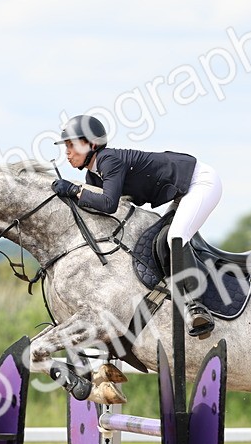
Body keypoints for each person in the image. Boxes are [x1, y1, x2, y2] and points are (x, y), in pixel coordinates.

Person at [51, 114, 221, 338]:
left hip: (200, 183)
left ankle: (197, 306)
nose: (67, 152)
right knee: (157, 240)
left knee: (175, 237)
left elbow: (109, 204)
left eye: (72, 145)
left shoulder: (108, 160)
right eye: (66, 146)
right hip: (183, 190)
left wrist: (74, 190)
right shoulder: (95, 175)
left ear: (92, 144)